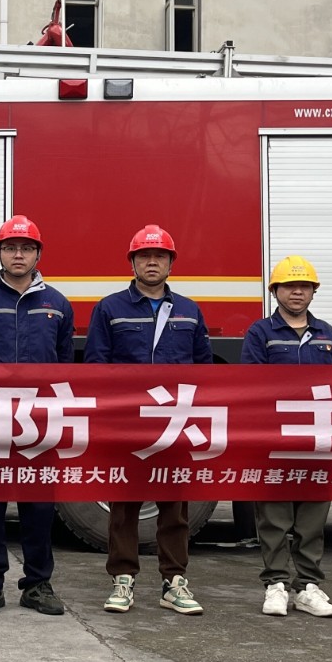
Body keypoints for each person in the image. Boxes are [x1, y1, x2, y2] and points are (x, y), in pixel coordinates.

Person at [84, 223, 212, 616]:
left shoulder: (189, 311)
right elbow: (96, 366)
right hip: (127, 422)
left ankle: (174, 582)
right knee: (124, 505)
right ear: (133, 263)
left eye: (159, 256)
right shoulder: (110, 308)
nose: (152, 262)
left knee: (175, 506)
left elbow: (204, 369)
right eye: (144, 256)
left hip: (174, 422)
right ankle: (123, 579)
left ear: (171, 263)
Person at [0, 215, 75, 617]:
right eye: (10, 248)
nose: (18, 254)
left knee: (38, 506)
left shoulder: (56, 304)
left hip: (40, 423)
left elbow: (65, 365)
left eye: (26, 248)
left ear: (38, 254)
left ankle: (38, 584)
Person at [241, 256, 332, 618]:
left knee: (312, 518)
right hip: (276, 437)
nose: (297, 292)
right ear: (276, 291)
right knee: (274, 516)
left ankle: (307, 587)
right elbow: (251, 383)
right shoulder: (260, 333)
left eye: (304, 286)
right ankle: (275, 584)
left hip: (318, 437)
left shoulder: (326, 334)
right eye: (289, 286)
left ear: (314, 292)